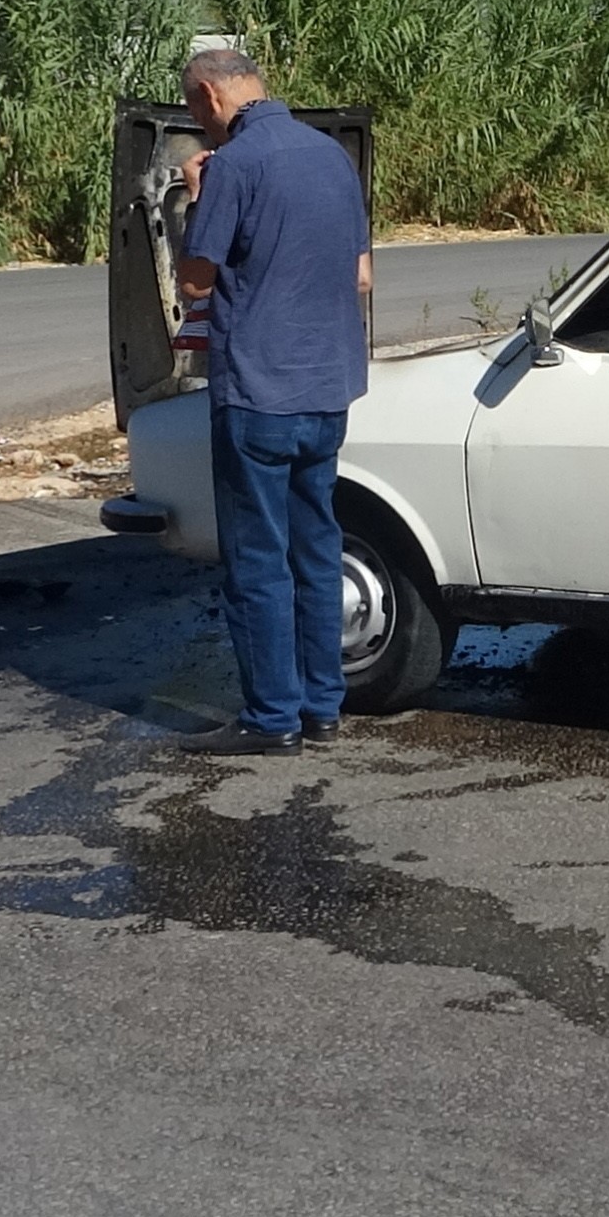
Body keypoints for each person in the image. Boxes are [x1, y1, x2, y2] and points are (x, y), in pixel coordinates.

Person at [172, 45, 374, 754]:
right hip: (327, 388)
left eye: (195, 110)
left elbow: (195, 282)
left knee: (258, 559)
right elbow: (361, 274)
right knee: (317, 548)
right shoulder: (332, 157)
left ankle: (271, 717)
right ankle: (323, 707)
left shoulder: (234, 165)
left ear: (208, 96)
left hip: (258, 390)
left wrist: (196, 197)